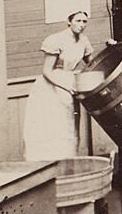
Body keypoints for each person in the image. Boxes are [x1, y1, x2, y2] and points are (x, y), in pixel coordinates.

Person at [23, 10, 95, 161]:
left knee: (70, 125)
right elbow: (46, 71)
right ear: (69, 22)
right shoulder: (56, 40)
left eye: (84, 21)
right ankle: (47, 162)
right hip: (51, 86)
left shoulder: (84, 41)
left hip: (70, 83)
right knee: (52, 125)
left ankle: (67, 159)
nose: (81, 25)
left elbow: (93, 64)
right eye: (78, 21)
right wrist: (65, 87)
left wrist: (110, 48)